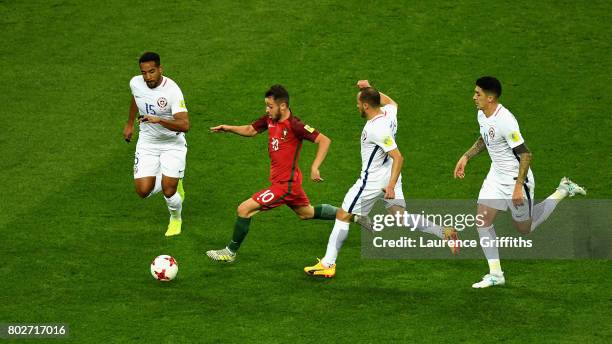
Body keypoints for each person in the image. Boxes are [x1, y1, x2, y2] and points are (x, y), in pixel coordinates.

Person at [304, 82, 459, 279]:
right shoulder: (389, 113)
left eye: (359, 103)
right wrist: (370, 87)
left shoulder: (376, 128)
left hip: (373, 181)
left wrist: (391, 186)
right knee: (401, 217)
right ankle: (444, 232)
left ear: (366, 106)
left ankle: (328, 264)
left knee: (343, 215)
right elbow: (392, 102)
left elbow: (398, 157)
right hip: (389, 174)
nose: (357, 107)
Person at [453, 76, 586, 288]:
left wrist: (517, 187)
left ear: (490, 98)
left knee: (525, 228)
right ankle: (496, 274)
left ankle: (562, 190)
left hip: (517, 180)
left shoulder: (505, 121)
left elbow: (526, 155)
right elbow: (485, 138)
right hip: (496, 177)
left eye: (478, 94)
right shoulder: (482, 113)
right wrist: (466, 156)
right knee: (482, 221)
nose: (473, 97)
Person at [206, 85, 336, 263]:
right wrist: (228, 128)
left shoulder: (295, 125)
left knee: (244, 209)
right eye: (266, 106)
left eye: (270, 106)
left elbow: (324, 140)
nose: (267, 110)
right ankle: (351, 215)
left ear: (282, 106)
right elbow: (251, 130)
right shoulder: (270, 120)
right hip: (289, 184)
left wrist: (315, 167)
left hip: (285, 185)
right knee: (306, 213)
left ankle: (230, 252)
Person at [123, 52, 189, 237]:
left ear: (160, 69)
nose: (148, 77)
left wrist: (158, 120)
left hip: (172, 143)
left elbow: (185, 125)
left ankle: (175, 218)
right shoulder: (136, 83)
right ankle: (172, 178)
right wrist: (129, 124)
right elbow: (136, 98)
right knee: (143, 191)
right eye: (144, 73)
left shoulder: (172, 91)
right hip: (147, 143)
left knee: (169, 191)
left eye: (152, 72)